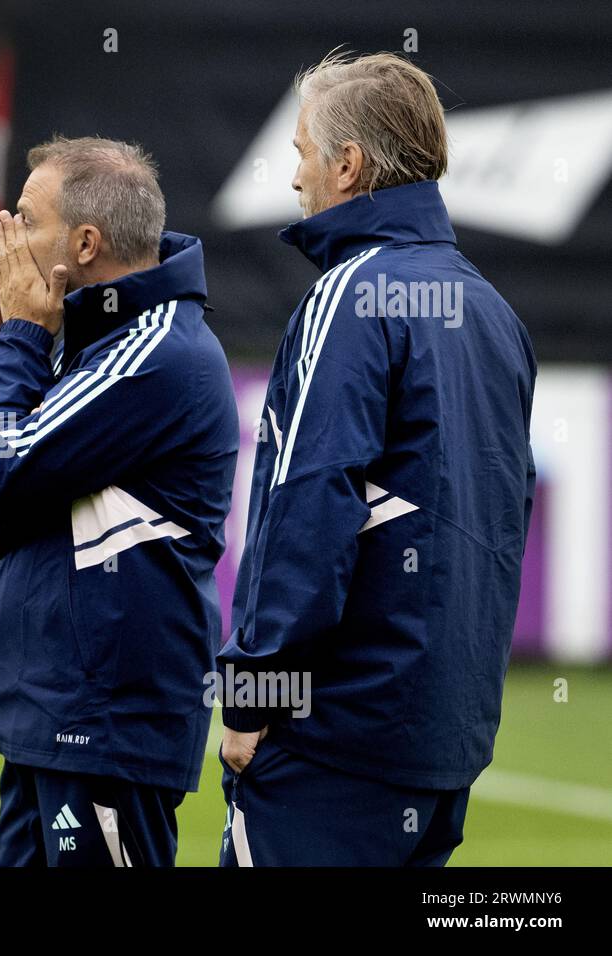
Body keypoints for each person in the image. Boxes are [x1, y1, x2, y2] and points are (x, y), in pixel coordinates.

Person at [216, 52, 537, 866]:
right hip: (442, 745)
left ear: (348, 165)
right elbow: (504, 517)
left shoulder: (351, 294)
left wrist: (251, 693)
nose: (295, 178)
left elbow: (308, 503)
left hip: (334, 744)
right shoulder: (493, 312)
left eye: (301, 152)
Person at [0, 136, 239, 866]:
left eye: (27, 218)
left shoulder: (153, 353)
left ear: (85, 242)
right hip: (52, 723)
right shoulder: (85, 340)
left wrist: (17, 331)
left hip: (104, 729)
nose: (9, 235)